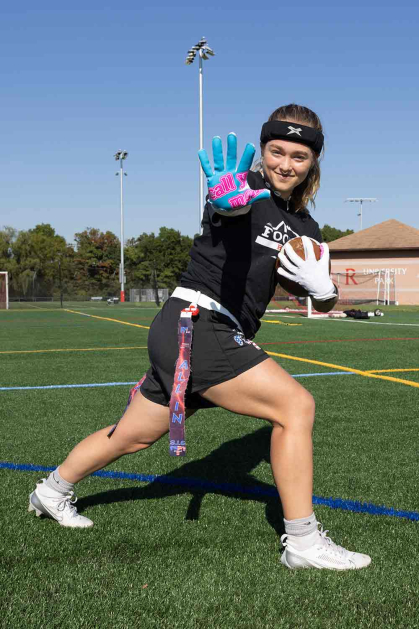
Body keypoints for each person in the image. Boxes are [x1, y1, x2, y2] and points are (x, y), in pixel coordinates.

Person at [29, 104, 371, 571]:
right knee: (296, 406)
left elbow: (315, 294)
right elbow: (224, 206)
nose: (284, 164)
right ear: (264, 150)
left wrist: (325, 290)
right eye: (276, 151)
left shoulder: (306, 227)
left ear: (314, 162)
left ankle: (51, 491)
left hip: (204, 332)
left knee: (132, 435)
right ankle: (303, 543)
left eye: (299, 156)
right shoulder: (241, 187)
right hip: (196, 322)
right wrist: (224, 199)